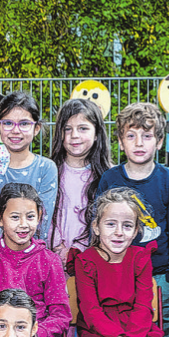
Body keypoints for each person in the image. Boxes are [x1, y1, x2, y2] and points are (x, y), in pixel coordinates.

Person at [74, 188, 169, 337]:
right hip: (100, 331)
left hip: (138, 328)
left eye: (127, 226)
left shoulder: (140, 258)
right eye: (111, 224)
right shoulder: (85, 261)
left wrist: (132, 335)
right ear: (96, 227)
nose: (119, 232)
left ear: (137, 231)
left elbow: (143, 303)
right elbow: (90, 309)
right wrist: (116, 335)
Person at [97, 102, 169, 323]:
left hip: (158, 275)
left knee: (160, 334)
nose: (139, 143)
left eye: (146, 136)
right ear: (120, 141)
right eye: (131, 136)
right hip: (116, 273)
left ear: (159, 142)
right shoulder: (110, 179)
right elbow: (98, 227)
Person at [0, 183, 70, 337]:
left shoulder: (49, 260)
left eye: (30, 217)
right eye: (15, 217)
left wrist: (33, 335)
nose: (23, 224)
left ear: (39, 216)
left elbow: (61, 315)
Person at [0, 91, 58, 246]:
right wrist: (8, 254)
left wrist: (27, 256)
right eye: (8, 123)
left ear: (37, 128)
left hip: (33, 259)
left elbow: (43, 220)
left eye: (24, 123)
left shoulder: (46, 168)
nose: (15, 130)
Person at [49, 98, 113, 267]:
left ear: (97, 133)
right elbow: (43, 215)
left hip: (96, 264)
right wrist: (58, 247)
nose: (74, 135)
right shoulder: (48, 172)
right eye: (67, 129)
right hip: (54, 263)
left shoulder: (109, 175)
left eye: (83, 128)